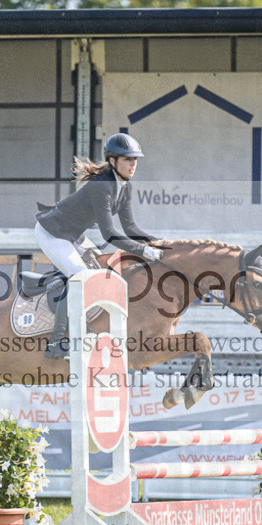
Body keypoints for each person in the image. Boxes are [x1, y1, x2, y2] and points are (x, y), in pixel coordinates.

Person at [35, 132, 163, 359]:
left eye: (135, 159)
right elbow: (109, 234)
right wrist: (143, 250)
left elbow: (130, 227)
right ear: (113, 161)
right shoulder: (101, 186)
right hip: (52, 232)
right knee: (81, 278)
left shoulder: (125, 187)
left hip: (74, 235)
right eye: (127, 159)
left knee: (100, 269)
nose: (133, 164)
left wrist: (158, 242)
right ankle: (57, 342)